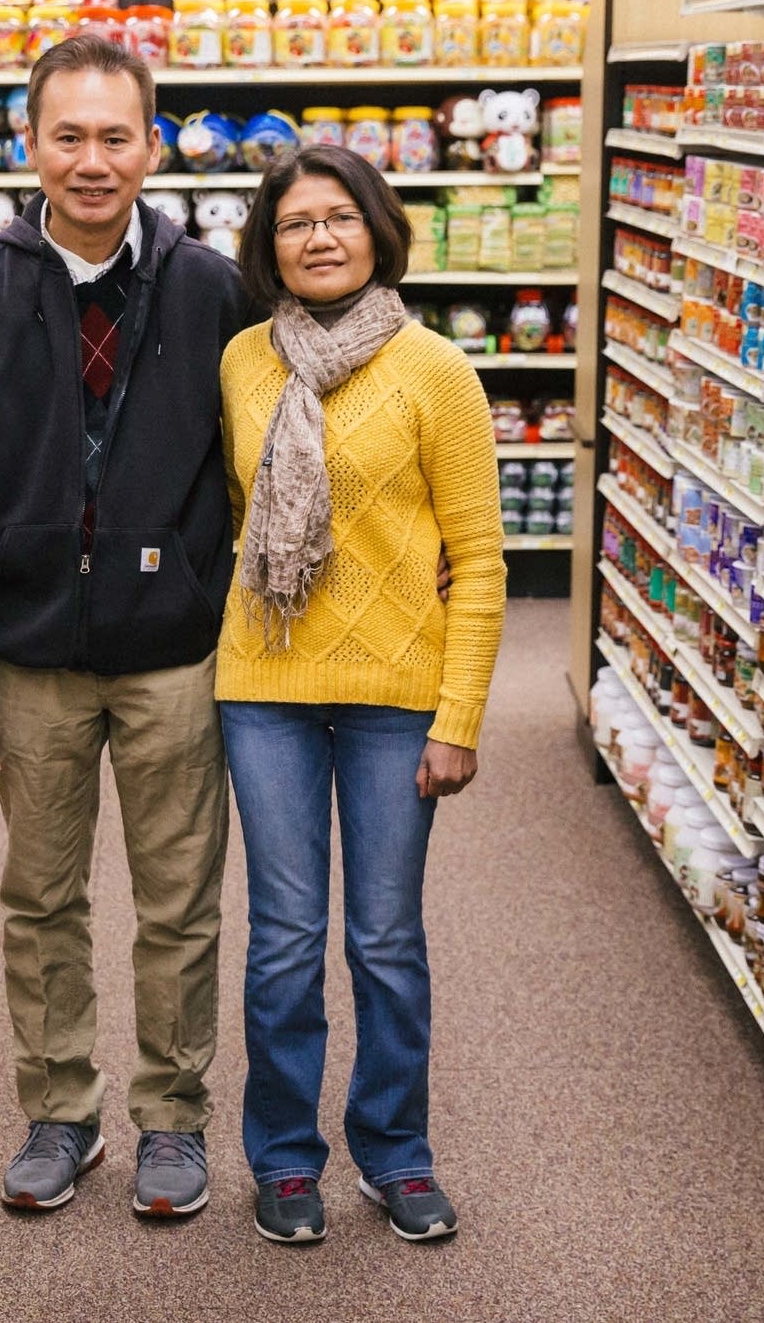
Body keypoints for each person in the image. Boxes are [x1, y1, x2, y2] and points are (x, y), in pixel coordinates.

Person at [0, 36, 249, 1220]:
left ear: (153, 145)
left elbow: (256, 464)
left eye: (114, 137)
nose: (91, 161)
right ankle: (59, 1109)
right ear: (27, 143)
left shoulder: (209, 289)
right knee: (40, 895)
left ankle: (172, 1118)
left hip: (171, 653)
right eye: (68, 136)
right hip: (30, 654)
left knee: (178, 898)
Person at [218, 144, 505, 1246]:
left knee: (384, 937)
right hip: (264, 682)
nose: (319, 238)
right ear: (269, 246)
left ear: (378, 231)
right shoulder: (241, 362)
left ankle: (394, 1152)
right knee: (283, 937)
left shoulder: (438, 369)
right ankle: (284, 1159)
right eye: (295, 224)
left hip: (397, 694)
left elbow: (478, 558)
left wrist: (460, 715)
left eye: (339, 217)